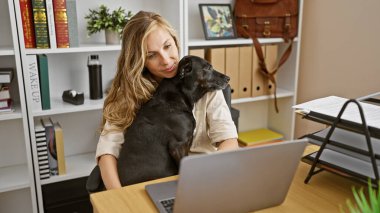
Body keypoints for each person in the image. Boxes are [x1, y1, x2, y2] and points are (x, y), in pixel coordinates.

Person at [95, 11, 239, 190]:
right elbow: (107, 153)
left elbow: (229, 142)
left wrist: (204, 175)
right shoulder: (128, 93)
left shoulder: (205, 84)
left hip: (202, 178)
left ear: (175, 40)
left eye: (167, 46)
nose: (165, 60)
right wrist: (118, 198)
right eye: (151, 55)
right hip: (150, 184)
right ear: (139, 60)